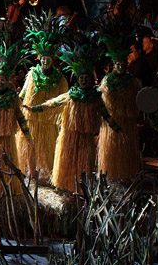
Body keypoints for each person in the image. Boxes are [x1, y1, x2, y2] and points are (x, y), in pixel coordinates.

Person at [25, 40, 123, 192]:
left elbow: (106, 116)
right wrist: (33, 109)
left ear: (90, 79)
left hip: (86, 138)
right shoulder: (71, 95)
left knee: (86, 164)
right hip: (69, 136)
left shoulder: (95, 98)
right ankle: (67, 187)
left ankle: (82, 190)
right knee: (68, 162)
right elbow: (52, 103)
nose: (83, 80)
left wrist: (119, 130)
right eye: (81, 77)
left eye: (86, 78)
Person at [16, 12, 69, 180]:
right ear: (39, 58)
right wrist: (16, 102)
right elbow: (24, 94)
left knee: (49, 148)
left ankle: (50, 175)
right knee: (30, 147)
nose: (45, 61)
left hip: (49, 120)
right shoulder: (32, 75)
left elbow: (63, 100)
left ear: (53, 59)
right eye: (43, 58)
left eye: (48, 59)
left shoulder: (60, 79)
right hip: (31, 118)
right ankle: (32, 174)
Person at [0, 43, 32, 196]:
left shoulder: (12, 98)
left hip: (6, 140)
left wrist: (27, 135)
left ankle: (5, 188)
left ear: (7, 80)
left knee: (5, 163)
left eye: (2, 80)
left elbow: (20, 117)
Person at [98, 25, 141, 183]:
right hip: (112, 122)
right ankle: (110, 176)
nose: (121, 67)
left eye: (123, 64)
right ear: (114, 64)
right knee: (111, 151)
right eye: (118, 64)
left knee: (126, 151)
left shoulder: (133, 81)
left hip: (127, 121)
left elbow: (139, 100)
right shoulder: (107, 81)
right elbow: (102, 103)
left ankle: (126, 176)